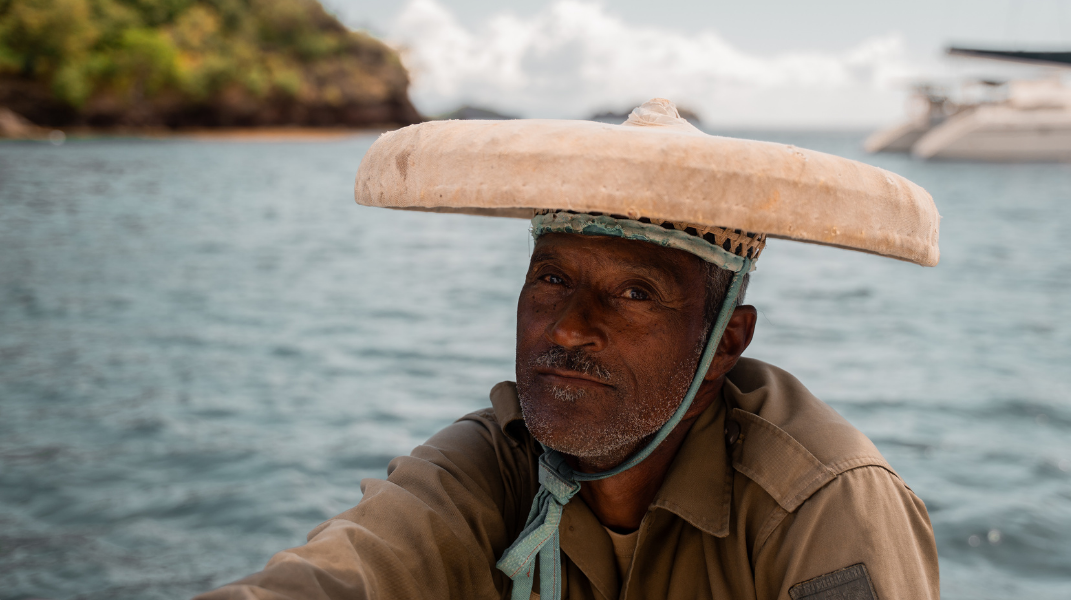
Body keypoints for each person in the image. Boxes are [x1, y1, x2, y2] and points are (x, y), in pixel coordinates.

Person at [197, 99, 942, 600]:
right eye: (552, 278)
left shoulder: (823, 499)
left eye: (635, 294)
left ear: (726, 345)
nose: (566, 329)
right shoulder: (500, 456)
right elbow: (345, 571)